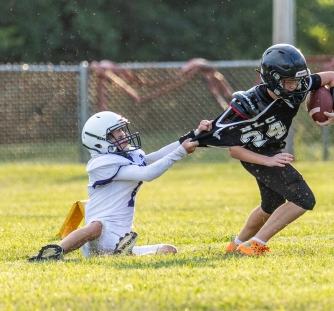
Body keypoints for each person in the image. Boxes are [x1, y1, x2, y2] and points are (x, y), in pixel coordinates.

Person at [181, 44, 334, 256]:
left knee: (272, 203)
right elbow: (234, 150)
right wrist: (268, 161)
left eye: (299, 80)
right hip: (256, 155)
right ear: (273, 79)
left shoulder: (298, 84)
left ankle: (237, 243)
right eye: (289, 82)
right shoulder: (250, 103)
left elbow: (333, 77)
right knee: (303, 199)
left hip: (272, 150)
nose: (296, 86)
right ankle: (256, 244)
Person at [28, 111, 211, 261]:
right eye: (115, 133)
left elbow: (157, 156)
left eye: (121, 130)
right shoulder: (103, 163)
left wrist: (195, 134)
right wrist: (180, 153)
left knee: (169, 250)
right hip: (98, 236)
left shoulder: (126, 156)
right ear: (99, 141)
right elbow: (148, 174)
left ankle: (120, 255)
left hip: (120, 238)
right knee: (96, 226)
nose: (123, 134)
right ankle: (54, 252)